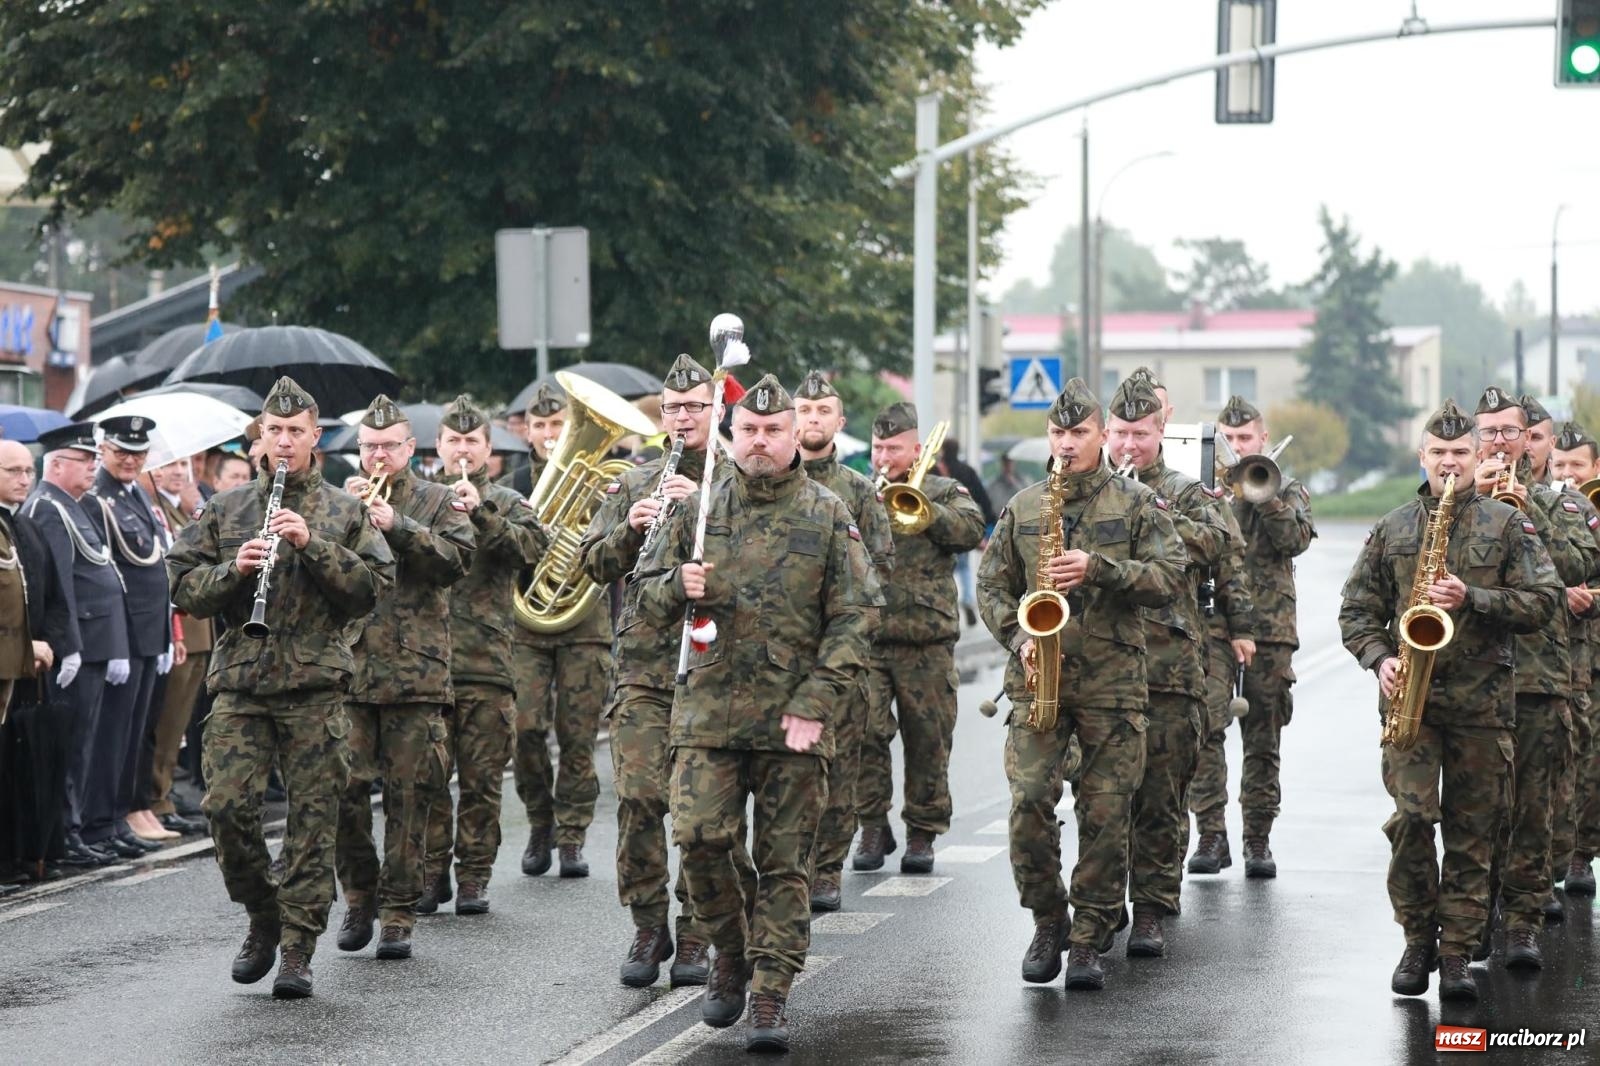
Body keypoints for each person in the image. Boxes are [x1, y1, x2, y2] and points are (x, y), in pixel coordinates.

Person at [636, 374, 878, 1051]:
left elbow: (857, 617)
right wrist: (670, 588)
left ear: (794, 433)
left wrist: (817, 702)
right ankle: (731, 950)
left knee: (784, 863)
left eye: (775, 431)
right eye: (750, 431)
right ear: (732, 435)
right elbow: (641, 599)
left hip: (791, 721)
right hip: (707, 713)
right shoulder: (699, 509)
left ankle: (770, 990)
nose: (763, 441)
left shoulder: (828, 512)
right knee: (701, 840)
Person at [167, 375, 393, 1000]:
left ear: (315, 437)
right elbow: (182, 584)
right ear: (260, 439)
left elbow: (371, 589)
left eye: (297, 432)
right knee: (226, 809)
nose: (285, 442)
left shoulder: (345, 513)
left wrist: (312, 544)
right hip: (241, 682)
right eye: (275, 432)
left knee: (312, 823)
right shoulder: (227, 509)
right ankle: (264, 914)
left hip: (315, 687)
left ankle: (297, 946)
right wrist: (229, 573)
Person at [1339, 398, 1560, 1001]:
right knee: (1412, 820)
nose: (1449, 463)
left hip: (1483, 706)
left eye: (1461, 453)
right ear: (1423, 456)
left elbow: (1545, 601)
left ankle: (1458, 953)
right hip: (1410, 701)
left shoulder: (1507, 524)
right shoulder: (1392, 526)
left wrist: (1475, 598)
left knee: (1473, 831)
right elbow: (1356, 610)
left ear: (1477, 456)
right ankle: (1418, 938)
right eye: (1438, 452)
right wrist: (1379, 658)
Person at [977, 376, 1185, 991]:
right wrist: (1018, 638)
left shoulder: (1136, 503)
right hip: (1037, 678)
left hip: (1112, 684)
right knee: (1028, 806)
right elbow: (992, 587)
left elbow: (1172, 576)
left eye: (1080, 432)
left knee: (1106, 814)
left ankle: (1091, 936)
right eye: (1058, 432)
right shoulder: (1024, 505)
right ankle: (1048, 921)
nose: (1067, 443)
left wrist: (1101, 569)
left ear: (1101, 435)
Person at [581, 353, 755, 989]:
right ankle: (648, 921)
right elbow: (593, 563)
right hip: (643, 669)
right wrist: (630, 527)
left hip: (715, 669)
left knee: (702, 815)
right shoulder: (634, 482)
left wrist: (702, 510)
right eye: (674, 408)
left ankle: (697, 932)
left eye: (696, 408)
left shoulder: (741, 483)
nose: (684, 418)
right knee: (639, 798)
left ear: (718, 412)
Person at [333, 395, 473, 959]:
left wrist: (400, 525)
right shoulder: (341, 499)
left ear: (410, 448)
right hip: (354, 669)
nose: (378, 456)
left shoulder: (439, 500)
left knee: (410, 796)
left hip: (417, 673)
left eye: (389, 446)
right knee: (342, 789)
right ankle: (359, 895)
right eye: (369, 446)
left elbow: (457, 561)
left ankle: (397, 912)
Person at [1472, 386, 1598, 969]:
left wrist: (1529, 511)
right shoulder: (1452, 498)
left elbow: (1578, 565)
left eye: (1509, 432)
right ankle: (1476, 913)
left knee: (1533, 808)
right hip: (1476, 676)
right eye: (1489, 432)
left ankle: (1521, 921)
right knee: (1477, 807)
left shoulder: (1562, 503)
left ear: (1529, 439)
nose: (1499, 442)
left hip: (1542, 676)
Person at [1105, 375, 1230, 956]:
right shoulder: (1086, 491)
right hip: (1101, 664)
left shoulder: (1182, 491)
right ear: (1106, 433)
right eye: (1121, 433)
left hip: (1169, 664)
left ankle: (1152, 904)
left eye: (1141, 433)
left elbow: (1223, 543)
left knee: (1160, 792)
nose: (1130, 445)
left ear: (1161, 432)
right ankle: (1103, 904)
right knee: (1104, 795)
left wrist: (1152, 517)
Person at [418, 395, 545, 917]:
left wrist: (483, 514)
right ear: (439, 447)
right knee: (425, 779)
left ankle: (472, 876)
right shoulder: (420, 501)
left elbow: (533, 552)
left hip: (487, 666)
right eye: (454, 441)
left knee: (482, 780)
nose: (462, 450)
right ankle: (430, 872)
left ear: (489, 450)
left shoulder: (510, 503)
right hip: (425, 666)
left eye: (473, 442)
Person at [855, 402, 984, 874]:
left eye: (894, 448)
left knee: (928, 740)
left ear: (915, 448)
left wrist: (927, 513)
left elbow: (972, 528)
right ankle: (871, 823)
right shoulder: (859, 491)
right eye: (878, 448)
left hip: (926, 640)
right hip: (868, 637)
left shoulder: (945, 489)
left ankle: (923, 833)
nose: (885, 457)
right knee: (864, 735)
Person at [1192, 395, 1316, 878]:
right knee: (1206, 727)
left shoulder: (1288, 488)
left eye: (1246, 438)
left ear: (1263, 440)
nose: (1238, 446)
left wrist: (1268, 497)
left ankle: (1257, 841)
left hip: (1269, 629)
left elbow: (1296, 542)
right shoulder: (1204, 491)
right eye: (1230, 438)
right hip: (1216, 624)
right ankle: (1210, 834)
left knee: (1263, 739)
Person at [792, 370, 893, 912]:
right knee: (786, 768)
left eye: (822, 411)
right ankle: (787, 866)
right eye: (804, 412)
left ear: (839, 421)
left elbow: (880, 568)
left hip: (841, 657)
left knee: (840, 764)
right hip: (780, 658)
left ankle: (827, 867)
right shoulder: (762, 483)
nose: (812, 420)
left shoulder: (858, 491)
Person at [506, 380, 611, 881]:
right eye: (542, 426)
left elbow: (614, 548)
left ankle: (571, 836)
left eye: (559, 425)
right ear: (525, 431)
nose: (550, 435)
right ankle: (539, 820)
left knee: (578, 736)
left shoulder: (600, 484)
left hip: (583, 624)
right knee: (524, 729)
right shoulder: (508, 487)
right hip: (526, 624)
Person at [26, 422, 129, 868]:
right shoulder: (49, 507)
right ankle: (68, 834)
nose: (93, 468)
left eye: (92, 461)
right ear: (58, 464)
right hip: (79, 641)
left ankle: (80, 826)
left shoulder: (75, 504)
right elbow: (60, 582)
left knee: (87, 743)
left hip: (96, 638)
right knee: (72, 746)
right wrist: (67, 644)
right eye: (85, 462)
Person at [87, 415, 176, 850]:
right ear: (104, 449)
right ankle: (113, 815)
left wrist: (164, 632)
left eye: (138, 453)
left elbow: (156, 564)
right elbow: (112, 574)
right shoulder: (98, 497)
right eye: (122, 451)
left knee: (139, 729)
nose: (130, 459)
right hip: (125, 633)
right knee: (116, 732)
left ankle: (131, 808)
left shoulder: (136, 492)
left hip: (149, 632)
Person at [0, 440, 66, 882]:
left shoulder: (25, 526)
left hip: (28, 670)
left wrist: (49, 644)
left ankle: (26, 853)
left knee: (23, 771)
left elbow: (53, 595)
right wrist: (27, 649)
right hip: (7, 665)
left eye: (29, 470)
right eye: (13, 470)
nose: (25, 478)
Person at [143, 457, 210, 836]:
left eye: (183, 464)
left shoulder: (179, 508)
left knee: (179, 720)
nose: (177, 471)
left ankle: (164, 793)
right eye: (167, 464)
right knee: (167, 720)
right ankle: (158, 795)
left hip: (199, 628)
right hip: (178, 626)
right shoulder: (158, 509)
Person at [1550, 422, 1600, 898]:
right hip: (1568, 656)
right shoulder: (1543, 509)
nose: (1567, 474)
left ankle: (1584, 850)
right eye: (1560, 465)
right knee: (1570, 756)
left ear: (1595, 468)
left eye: (1576, 466)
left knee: (1593, 761)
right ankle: (1567, 853)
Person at [938, 436, 995, 628]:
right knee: (963, 567)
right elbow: (983, 498)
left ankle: (949, 603)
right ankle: (967, 599)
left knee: (945, 567)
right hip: (963, 525)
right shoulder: (967, 471)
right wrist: (988, 522)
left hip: (940, 526)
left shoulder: (935, 471)